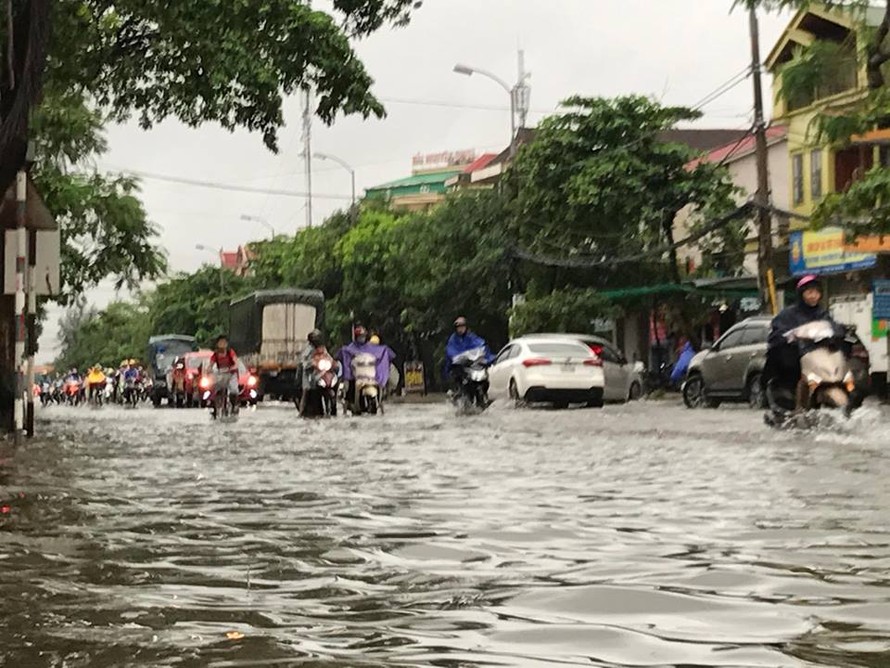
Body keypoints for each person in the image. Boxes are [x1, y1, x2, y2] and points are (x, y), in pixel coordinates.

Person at [762, 274, 842, 409]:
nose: (813, 296)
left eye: (816, 292)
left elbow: (833, 328)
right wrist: (789, 337)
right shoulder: (788, 314)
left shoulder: (822, 314)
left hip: (819, 359)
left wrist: (838, 333)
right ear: (801, 294)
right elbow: (777, 334)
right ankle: (797, 408)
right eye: (809, 292)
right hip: (796, 360)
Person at [444, 316, 495, 401]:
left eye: (462, 326)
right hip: (459, 367)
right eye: (459, 327)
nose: (461, 329)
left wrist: (486, 358)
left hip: (473, 366)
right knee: (459, 378)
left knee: (485, 379)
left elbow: (481, 345)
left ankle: (483, 396)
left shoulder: (471, 337)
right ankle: (458, 394)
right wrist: (457, 358)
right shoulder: (453, 339)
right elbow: (450, 352)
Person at [209, 335, 240, 416]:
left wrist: (232, 368)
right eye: (220, 342)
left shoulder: (230, 352)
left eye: (224, 342)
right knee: (215, 390)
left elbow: (236, 363)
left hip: (231, 374)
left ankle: (234, 406)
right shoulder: (215, 355)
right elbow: (210, 365)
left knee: (234, 390)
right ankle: (215, 409)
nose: (222, 344)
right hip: (221, 375)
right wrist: (209, 371)